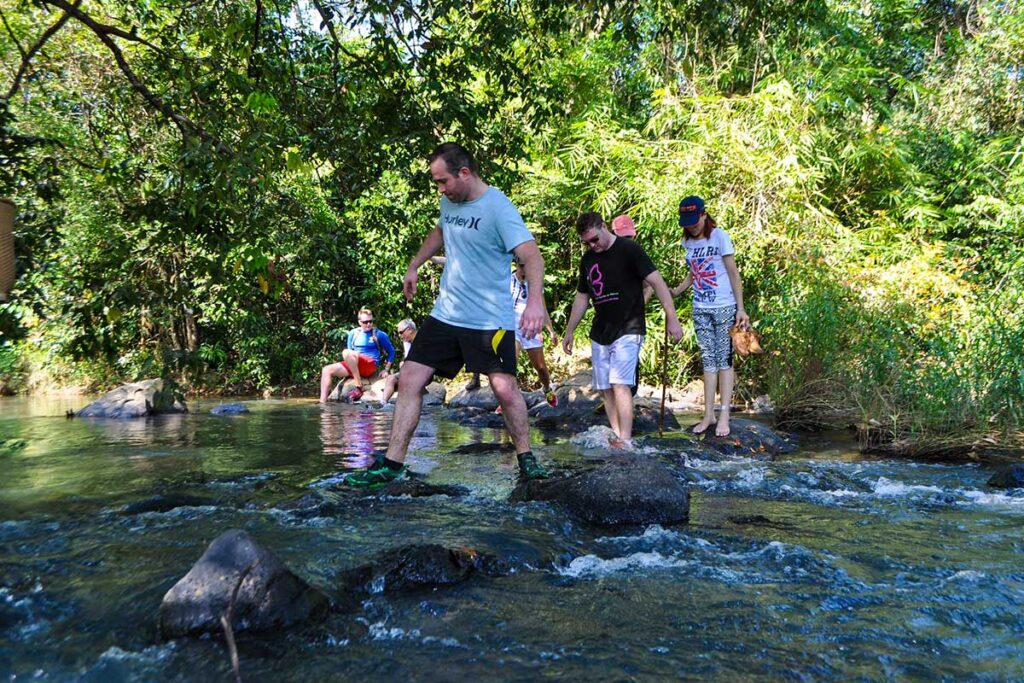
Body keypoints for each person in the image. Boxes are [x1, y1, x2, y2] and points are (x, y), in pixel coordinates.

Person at [345, 142, 549, 487]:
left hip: (488, 319)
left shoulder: (498, 207)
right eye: (436, 183)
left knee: (504, 389)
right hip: (446, 314)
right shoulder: (448, 201)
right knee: (409, 380)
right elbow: (440, 231)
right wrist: (415, 264)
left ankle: (527, 460)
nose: (440, 189)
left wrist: (535, 303)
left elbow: (533, 257)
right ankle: (393, 465)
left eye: (443, 182)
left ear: (464, 173)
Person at [562, 212, 683, 447]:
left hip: (629, 327)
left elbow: (657, 283)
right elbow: (582, 297)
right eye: (587, 242)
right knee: (605, 388)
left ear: (604, 227)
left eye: (595, 239)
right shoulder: (588, 259)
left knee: (620, 383)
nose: (592, 246)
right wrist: (569, 331)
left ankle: (625, 440)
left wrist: (672, 318)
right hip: (600, 331)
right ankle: (618, 435)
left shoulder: (629, 249)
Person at [670, 196, 749, 437]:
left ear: (704, 215)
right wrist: (676, 291)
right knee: (708, 361)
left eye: (695, 221)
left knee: (724, 361)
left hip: (724, 306)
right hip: (700, 308)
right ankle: (708, 415)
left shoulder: (719, 236)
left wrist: (741, 308)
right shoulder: (687, 242)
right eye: (687, 223)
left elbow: (734, 274)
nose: (691, 226)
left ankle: (724, 415)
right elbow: (694, 273)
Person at [319, 308, 396, 403]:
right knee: (326, 370)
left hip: (369, 365)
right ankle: (322, 403)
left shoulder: (379, 334)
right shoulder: (353, 333)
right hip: (354, 363)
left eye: (371, 321)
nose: (369, 324)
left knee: (346, 352)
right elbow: (350, 353)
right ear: (360, 322)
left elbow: (391, 351)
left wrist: (386, 369)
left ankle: (358, 386)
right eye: (365, 322)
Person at [379, 319, 417, 407]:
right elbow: (407, 358)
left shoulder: (423, 340)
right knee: (391, 378)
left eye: (401, 332)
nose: (399, 336)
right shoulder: (406, 341)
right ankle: (382, 404)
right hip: (410, 372)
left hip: (423, 372)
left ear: (410, 330)